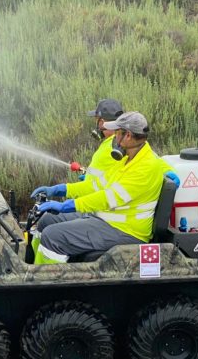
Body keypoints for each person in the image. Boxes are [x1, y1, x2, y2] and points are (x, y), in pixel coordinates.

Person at [32, 111, 170, 264]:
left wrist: (67, 206)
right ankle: (31, 266)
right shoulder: (126, 158)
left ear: (128, 136)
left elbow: (107, 198)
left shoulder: (146, 167)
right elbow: (97, 185)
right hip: (106, 219)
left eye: (117, 132)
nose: (114, 137)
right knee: (48, 220)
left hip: (126, 230)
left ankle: (47, 282)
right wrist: (62, 189)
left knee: (53, 236)